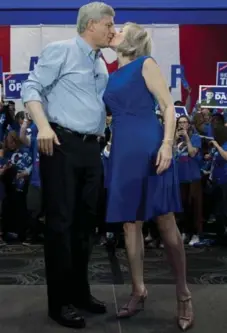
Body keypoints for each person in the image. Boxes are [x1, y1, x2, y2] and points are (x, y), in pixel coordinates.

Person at [21, 2, 115, 329]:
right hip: (62, 145)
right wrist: (43, 126)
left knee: (85, 226)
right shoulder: (60, 50)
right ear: (90, 25)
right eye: (109, 23)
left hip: (92, 150)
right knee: (60, 226)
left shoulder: (101, 61)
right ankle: (59, 303)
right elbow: (30, 88)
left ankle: (80, 293)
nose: (112, 29)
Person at [103, 23, 194, 331]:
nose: (115, 30)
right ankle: (137, 290)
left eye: (122, 28)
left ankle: (183, 294)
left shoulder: (146, 63)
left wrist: (167, 145)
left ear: (134, 39)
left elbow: (169, 108)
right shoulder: (112, 75)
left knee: (165, 220)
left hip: (150, 146)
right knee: (130, 223)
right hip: (122, 151)